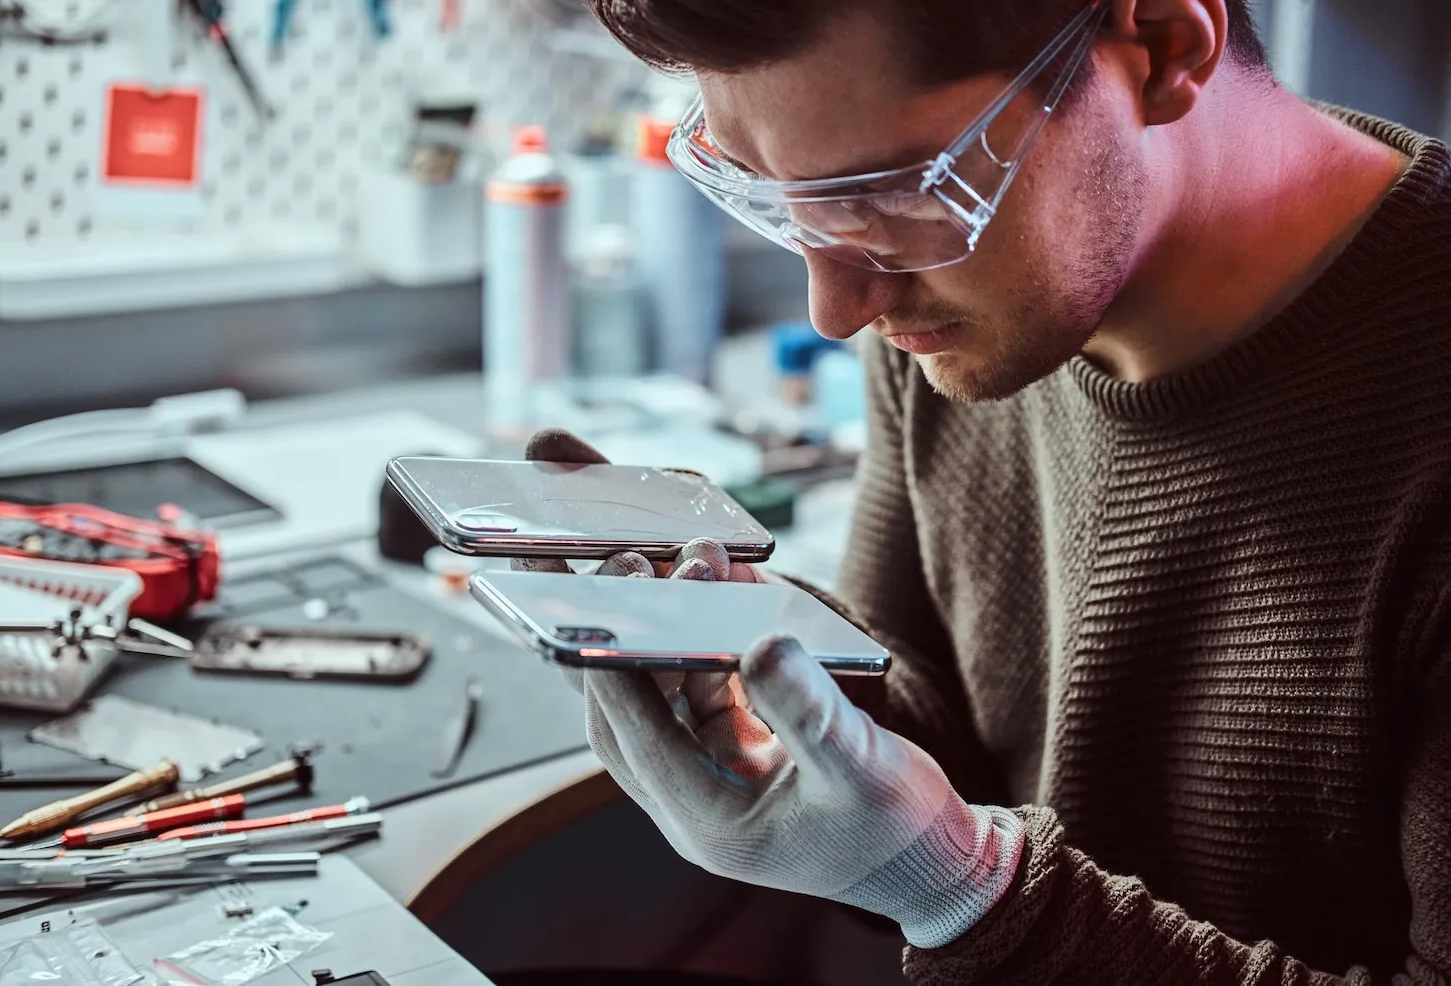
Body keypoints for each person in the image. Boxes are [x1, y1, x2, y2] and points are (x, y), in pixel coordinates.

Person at [512, 0, 1451, 982]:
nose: (836, 308)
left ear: (1167, 47)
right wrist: (778, 689)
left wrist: (964, 892)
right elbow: (942, 743)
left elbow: (968, 891)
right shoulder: (956, 318)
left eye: (891, 198)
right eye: (775, 199)